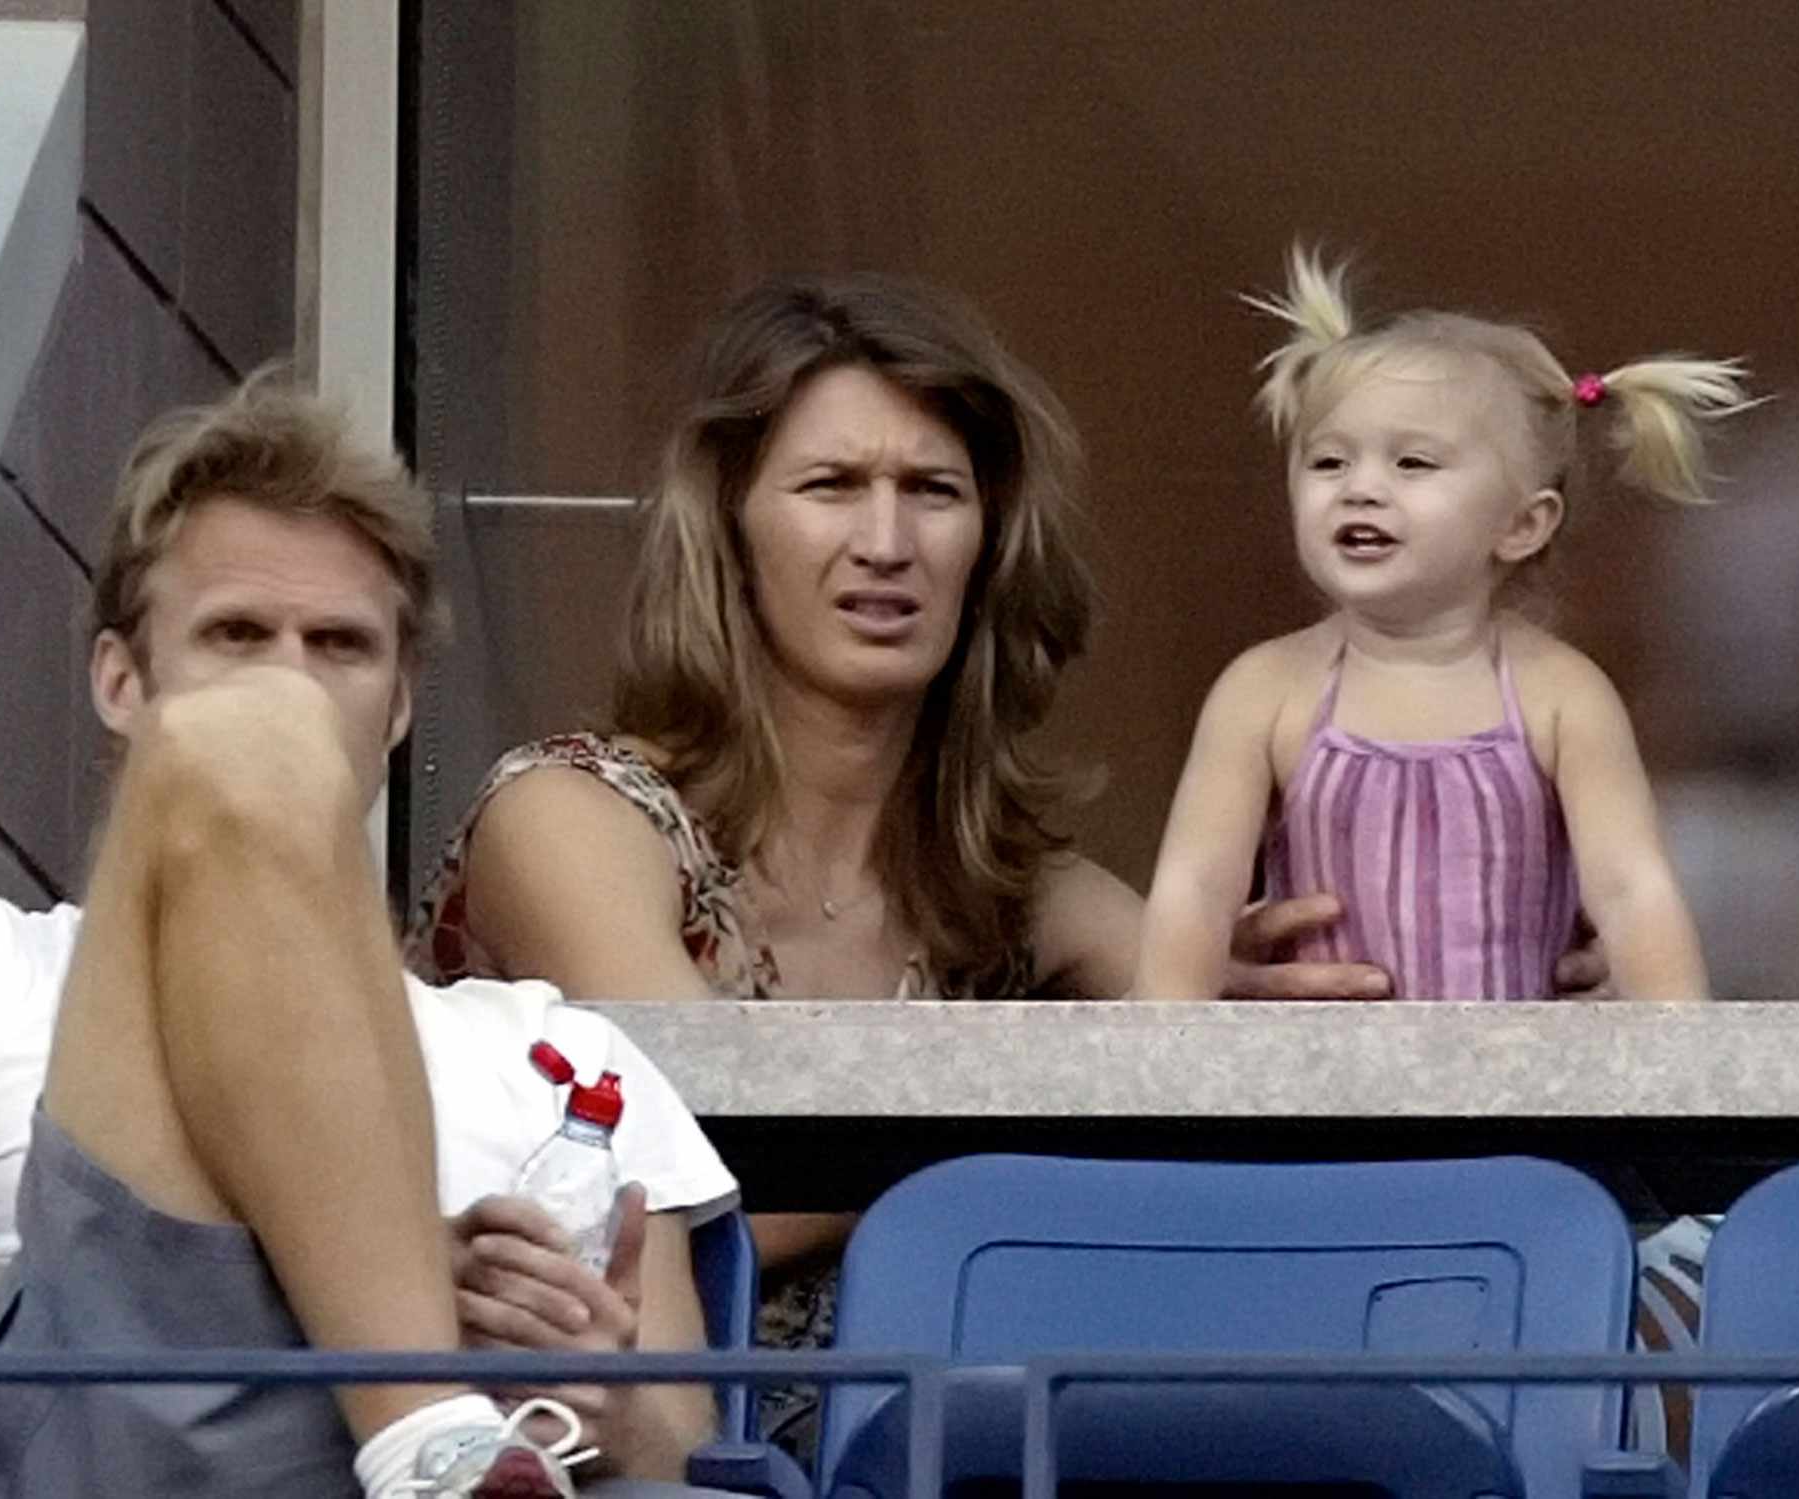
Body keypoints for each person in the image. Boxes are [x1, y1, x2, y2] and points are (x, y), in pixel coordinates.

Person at [402, 273, 1609, 1449]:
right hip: (623, 1462)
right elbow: (698, 1205)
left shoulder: (1017, 888)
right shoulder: (571, 815)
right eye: (830, 484)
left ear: (988, 539)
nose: (885, 539)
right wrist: (1054, 1118)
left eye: (931, 489)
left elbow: (1280, 1106)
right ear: (729, 523)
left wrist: (1485, 942)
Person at [0, 376, 739, 1498]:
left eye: (340, 644)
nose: (289, 680)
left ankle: (437, 1428)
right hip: (121, 1433)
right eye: (235, 632)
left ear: (402, 700)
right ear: (119, 679)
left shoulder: (562, 1052)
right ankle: (425, 1428)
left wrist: (595, 1397)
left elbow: (683, 1443)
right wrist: (363, 1311)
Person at [1135, 245, 1758, 1002]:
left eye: (1414, 464)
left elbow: (1632, 889)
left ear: (1522, 525)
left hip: (1518, 1089)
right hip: (1317, 1091)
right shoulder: (1264, 688)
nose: (1360, 488)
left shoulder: (1559, 693)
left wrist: (1684, 1064)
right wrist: (1164, 1063)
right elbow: (1195, 889)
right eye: (1328, 462)